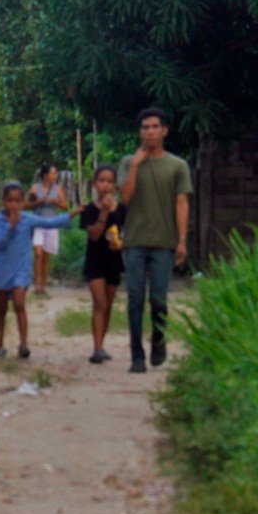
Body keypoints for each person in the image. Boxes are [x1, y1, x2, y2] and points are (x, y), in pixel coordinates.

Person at [118, 107, 191, 373]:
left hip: (164, 242)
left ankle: (158, 340)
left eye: (154, 126)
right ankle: (136, 356)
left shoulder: (177, 165)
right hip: (135, 241)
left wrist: (182, 240)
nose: (149, 131)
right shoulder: (128, 162)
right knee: (135, 298)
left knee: (159, 300)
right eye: (145, 127)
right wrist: (136, 165)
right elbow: (124, 199)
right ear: (139, 132)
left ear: (164, 131)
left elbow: (181, 202)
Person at [0, 182, 73, 359]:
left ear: (22, 203)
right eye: (9, 201)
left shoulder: (27, 219)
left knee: (19, 304)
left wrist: (71, 215)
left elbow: (49, 222)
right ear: (3, 202)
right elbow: (0, 243)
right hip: (2, 270)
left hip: (20, 269)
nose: (13, 205)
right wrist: (10, 226)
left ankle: (23, 344)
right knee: (1, 308)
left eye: (17, 201)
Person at [79, 164, 127, 365]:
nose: (105, 185)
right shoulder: (88, 209)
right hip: (95, 260)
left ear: (115, 186)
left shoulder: (123, 209)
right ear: (95, 184)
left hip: (114, 260)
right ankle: (97, 348)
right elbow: (95, 234)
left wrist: (122, 243)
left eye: (109, 181)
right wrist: (104, 212)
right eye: (102, 181)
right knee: (99, 303)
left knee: (108, 305)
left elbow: (127, 232)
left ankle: (102, 344)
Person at [26, 163, 68, 297]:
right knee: (38, 253)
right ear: (45, 175)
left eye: (56, 173)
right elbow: (26, 205)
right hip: (38, 223)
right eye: (53, 173)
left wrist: (56, 202)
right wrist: (38, 201)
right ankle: (37, 284)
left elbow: (65, 206)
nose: (55, 176)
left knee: (46, 256)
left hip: (52, 224)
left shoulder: (58, 189)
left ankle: (43, 285)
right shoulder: (34, 188)